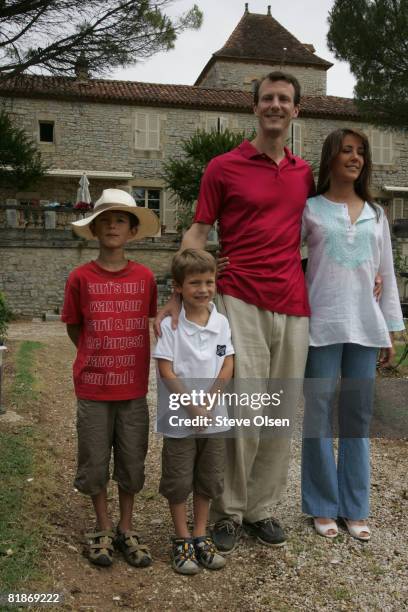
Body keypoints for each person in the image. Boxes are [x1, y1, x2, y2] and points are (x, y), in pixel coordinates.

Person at [155, 71, 315, 552]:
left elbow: (322, 232)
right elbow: (198, 233)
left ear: (295, 111)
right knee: (241, 410)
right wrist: (176, 291)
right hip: (239, 298)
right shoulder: (223, 167)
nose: (275, 105)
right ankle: (227, 511)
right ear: (254, 107)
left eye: (284, 99)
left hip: (294, 303)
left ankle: (262, 508)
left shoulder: (304, 172)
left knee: (278, 412)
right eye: (267, 98)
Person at [301, 128, 405, 541]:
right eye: (347, 151)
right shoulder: (309, 209)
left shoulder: (377, 215)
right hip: (322, 325)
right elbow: (286, 260)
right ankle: (322, 504)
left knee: (358, 418)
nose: (355, 158)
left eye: (360, 152)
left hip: (365, 326)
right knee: (319, 414)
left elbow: (386, 276)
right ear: (330, 158)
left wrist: (390, 331)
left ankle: (355, 506)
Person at [61, 188, 159, 567]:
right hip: (93, 388)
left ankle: (126, 526)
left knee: (133, 460)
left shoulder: (146, 278)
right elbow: (74, 327)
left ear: (132, 230)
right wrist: (94, 354)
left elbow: (149, 320)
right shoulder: (80, 277)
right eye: (105, 219)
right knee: (94, 459)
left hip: (132, 389)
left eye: (120, 219)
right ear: (95, 228)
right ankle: (101, 525)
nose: (113, 225)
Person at [153, 249, 234, 574]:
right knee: (178, 478)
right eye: (195, 283)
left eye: (209, 281)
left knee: (208, 477)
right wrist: (192, 405)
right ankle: (182, 537)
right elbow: (167, 370)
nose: (203, 289)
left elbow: (224, 361)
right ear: (178, 286)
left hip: (214, 419)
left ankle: (201, 533)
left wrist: (211, 401)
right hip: (179, 419)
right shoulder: (172, 327)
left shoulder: (220, 323)